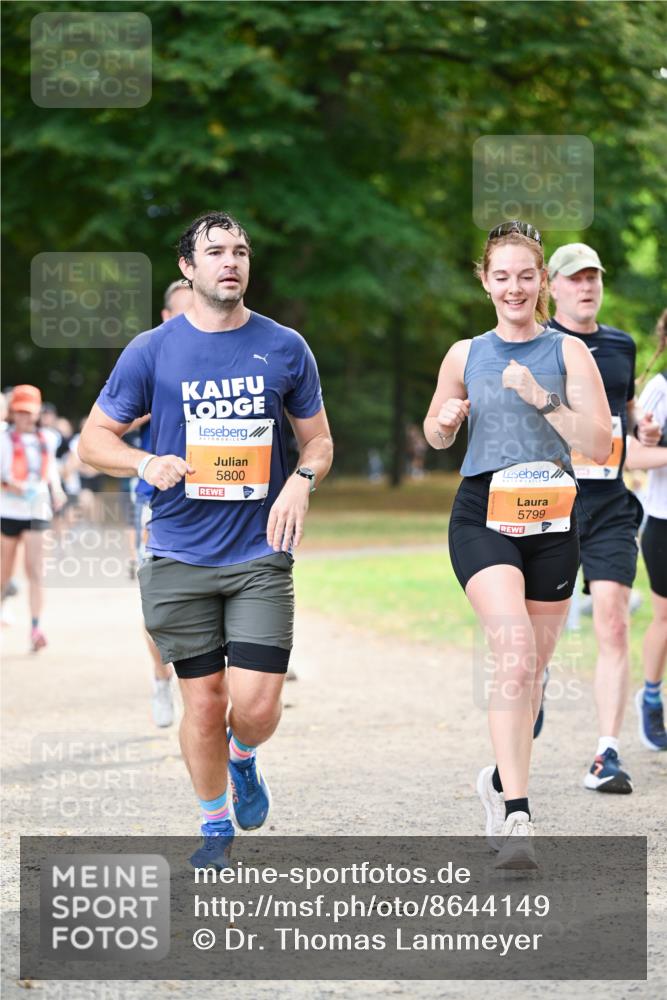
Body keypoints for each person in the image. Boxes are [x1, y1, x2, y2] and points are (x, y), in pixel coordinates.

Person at [79, 211, 333, 868]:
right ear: (187, 268)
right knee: (204, 698)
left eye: (240, 251)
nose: (231, 261)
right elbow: (92, 441)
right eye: (215, 251)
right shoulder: (152, 350)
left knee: (257, 704)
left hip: (259, 551)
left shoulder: (285, 346)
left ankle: (243, 755)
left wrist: (301, 480)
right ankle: (214, 823)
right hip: (177, 554)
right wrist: (143, 463)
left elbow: (318, 440)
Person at [424, 221, 611, 865]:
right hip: (483, 514)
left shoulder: (568, 353)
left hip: (553, 517)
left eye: (525, 276)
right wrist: (445, 421)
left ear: (541, 283)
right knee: (514, 651)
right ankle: (518, 817)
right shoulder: (464, 354)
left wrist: (542, 399)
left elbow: (598, 445)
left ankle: (500, 780)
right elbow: (437, 433)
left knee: (531, 669)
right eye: (501, 276)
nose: (514, 287)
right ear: (485, 281)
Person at [547, 244, 661, 792]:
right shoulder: (537, 343)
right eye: (575, 278)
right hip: (549, 502)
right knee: (541, 629)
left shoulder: (621, 344)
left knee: (613, 621)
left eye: (593, 277)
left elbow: (625, 410)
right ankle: (534, 683)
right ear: (552, 287)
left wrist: (643, 430)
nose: (586, 286)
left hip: (611, 503)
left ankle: (606, 753)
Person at [624, 309, 667, 750]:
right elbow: (633, 456)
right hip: (664, 522)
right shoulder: (659, 389)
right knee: (665, 618)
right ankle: (652, 698)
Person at [1, 384, 66, 650]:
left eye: (29, 412)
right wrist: (9, 485)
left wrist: (57, 490)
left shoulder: (48, 438)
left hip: (37, 509)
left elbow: (51, 471)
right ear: (12, 412)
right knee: (4, 573)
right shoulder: (3, 439)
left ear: (37, 412)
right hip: (7, 510)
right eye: (19, 412)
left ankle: (36, 628)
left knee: (36, 570)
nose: (24, 417)